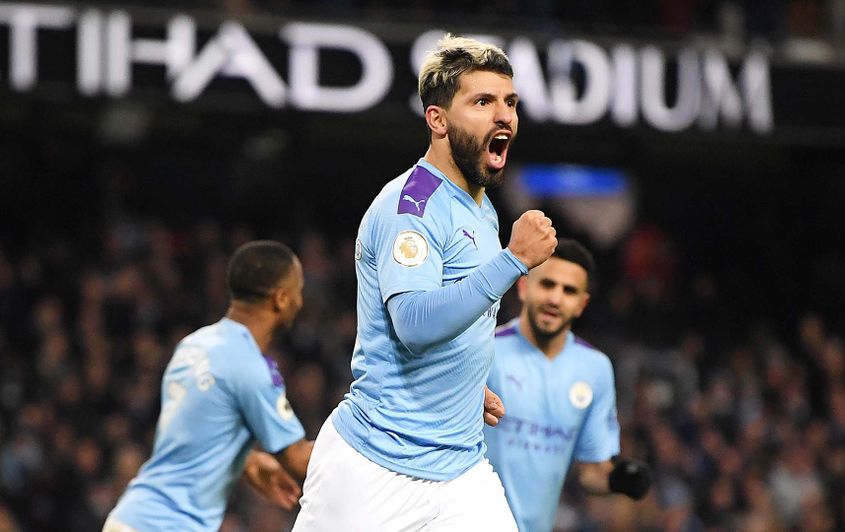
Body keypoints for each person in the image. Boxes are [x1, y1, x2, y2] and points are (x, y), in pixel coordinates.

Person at [292, 34, 557, 531]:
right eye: (482, 102)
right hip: (374, 468)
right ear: (437, 120)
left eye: (510, 102)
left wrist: (460, 384)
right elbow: (413, 323)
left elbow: (456, 307)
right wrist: (514, 259)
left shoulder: (481, 206)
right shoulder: (409, 207)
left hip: (461, 472)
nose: (504, 116)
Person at [104, 240, 314, 531]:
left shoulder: (193, 346)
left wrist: (245, 461)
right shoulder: (250, 365)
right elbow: (298, 459)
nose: (300, 301)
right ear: (281, 299)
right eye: (298, 291)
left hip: (131, 517)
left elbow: (187, 435)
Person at [484, 239, 652, 532]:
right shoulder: (486, 350)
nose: (556, 298)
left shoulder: (595, 368)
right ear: (524, 288)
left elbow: (592, 470)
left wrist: (619, 479)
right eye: (547, 284)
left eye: (569, 290)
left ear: (582, 304)